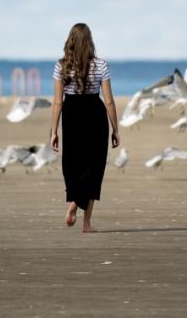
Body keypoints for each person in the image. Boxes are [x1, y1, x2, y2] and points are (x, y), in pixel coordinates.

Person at [49, 23, 120, 233]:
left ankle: (74, 200)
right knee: (95, 167)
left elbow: (57, 102)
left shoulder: (61, 66)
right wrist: (115, 129)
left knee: (72, 163)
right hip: (95, 114)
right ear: (90, 41)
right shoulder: (101, 65)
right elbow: (109, 101)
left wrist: (53, 131)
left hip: (71, 115)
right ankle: (86, 223)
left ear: (70, 41)